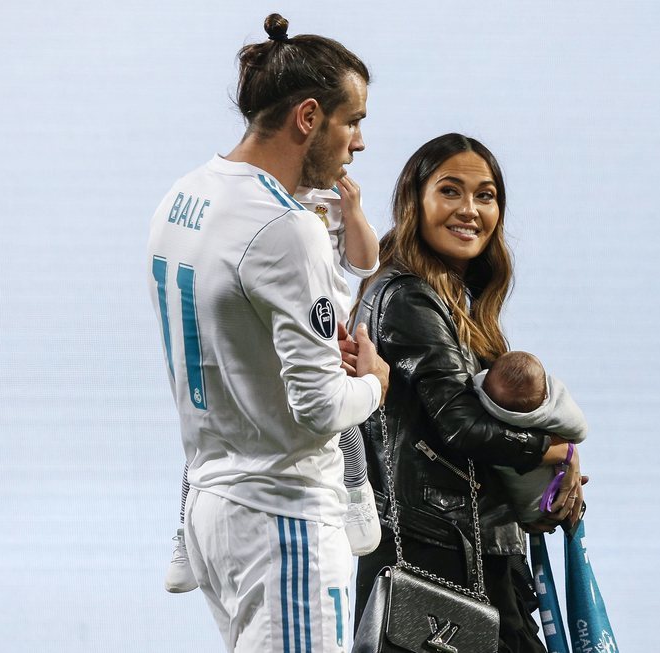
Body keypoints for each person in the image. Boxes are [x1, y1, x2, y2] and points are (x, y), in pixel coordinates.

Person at [146, 13, 389, 652]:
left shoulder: (182, 197)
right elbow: (319, 410)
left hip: (213, 511)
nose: (358, 142)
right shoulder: (289, 228)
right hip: (286, 524)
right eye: (352, 120)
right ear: (308, 117)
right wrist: (373, 384)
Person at [350, 133, 584, 653]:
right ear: (416, 201)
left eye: (486, 195)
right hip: (443, 564)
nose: (470, 210)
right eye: (450, 191)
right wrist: (556, 451)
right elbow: (462, 425)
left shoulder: (451, 298)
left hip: (464, 559)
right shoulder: (409, 295)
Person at [164, 177, 383, 593]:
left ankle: (356, 493)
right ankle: (185, 534)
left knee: (337, 421)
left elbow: (365, 262)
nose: (357, 143)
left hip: (317, 337)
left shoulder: (326, 200)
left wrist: (352, 210)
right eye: (350, 124)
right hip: (254, 336)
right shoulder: (245, 200)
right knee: (210, 431)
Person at [475, 351, 588, 524]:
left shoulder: (479, 395)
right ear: (544, 396)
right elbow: (579, 430)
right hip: (540, 503)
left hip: (503, 502)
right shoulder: (549, 411)